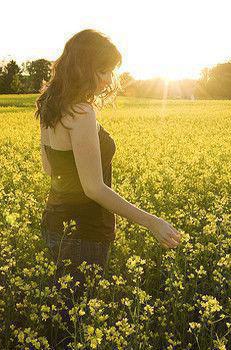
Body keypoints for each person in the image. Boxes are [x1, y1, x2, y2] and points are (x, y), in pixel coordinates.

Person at [34, 28, 183, 348]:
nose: (108, 78)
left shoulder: (50, 104)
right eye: (103, 70)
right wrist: (152, 221)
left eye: (111, 70)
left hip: (54, 224)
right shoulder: (82, 112)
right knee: (71, 326)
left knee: (59, 318)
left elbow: (50, 168)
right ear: (84, 67)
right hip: (84, 232)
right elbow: (94, 189)